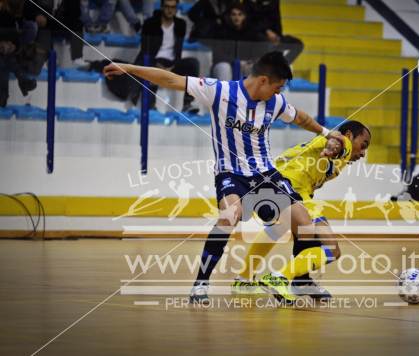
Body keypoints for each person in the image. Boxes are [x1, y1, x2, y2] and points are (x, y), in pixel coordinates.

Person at [103, 50, 346, 303]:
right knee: (229, 217)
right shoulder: (219, 91)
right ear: (263, 80)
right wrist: (130, 68)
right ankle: (200, 284)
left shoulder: (275, 103)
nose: (279, 93)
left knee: (303, 221)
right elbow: (171, 80)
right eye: (277, 87)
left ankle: (299, 280)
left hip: (265, 173)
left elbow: (301, 117)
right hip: (231, 173)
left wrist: (326, 133)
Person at [232, 121, 371, 302]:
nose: (363, 153)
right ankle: (282, 277)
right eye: (363, 145)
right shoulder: (340, 141)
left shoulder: (339, 161)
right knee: (332, 249)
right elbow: (338, 143)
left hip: (272, 182)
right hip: (288, 187)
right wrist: (336, 145)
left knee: (281, 229)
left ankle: (245, 279)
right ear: (351, 135)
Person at [132, 0, 200, 112]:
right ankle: (150, 104)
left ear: (176, 8)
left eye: (173, 7)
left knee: (193, 63)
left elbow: (178, 51)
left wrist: (172, 67)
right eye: (167, 7)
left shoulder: (181, 24)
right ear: (162, 7)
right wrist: (158, 66)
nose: (170, 10)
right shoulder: (150, 23)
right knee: (149, 66)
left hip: (172, 63)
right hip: (154, 61)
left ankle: (188, 103)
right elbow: (145, 49)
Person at [211, 2, 265, 80]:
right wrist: (236, 62)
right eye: (234, 14)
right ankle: (225, 92)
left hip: (245, 65)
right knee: (224, 67)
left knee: (254, 68)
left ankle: (247, 92)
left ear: (244, 16)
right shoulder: (221, 32)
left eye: (240, 14)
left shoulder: (252, 33)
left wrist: (249, 62)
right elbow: (217, 56)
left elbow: (259, 54)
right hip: (225, 65)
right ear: (229, 16)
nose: (237, 17)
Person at [243, 0, 303, 64]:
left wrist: (277, 36)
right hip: (257, 38)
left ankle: (281, 65)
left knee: (298, 44)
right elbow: (251, 23)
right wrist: (267, 31)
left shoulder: (274, 3)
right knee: (265, 43)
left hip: (275, 37)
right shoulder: (250, 4)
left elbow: (277, 21)